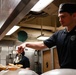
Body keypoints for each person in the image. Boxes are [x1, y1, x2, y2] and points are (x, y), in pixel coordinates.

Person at [20, 3, 76, 69]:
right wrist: (26, 44)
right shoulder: (58, 35)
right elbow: (42, 45)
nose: (60, 20)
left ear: (74, 15)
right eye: (59, 17)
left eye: (63, 17)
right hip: (64, 71)